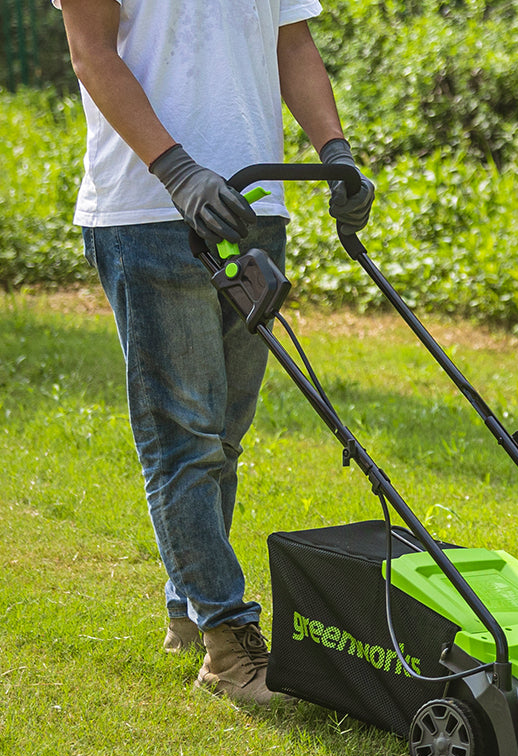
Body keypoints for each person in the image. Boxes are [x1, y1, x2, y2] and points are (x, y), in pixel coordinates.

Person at [57, 0, 375, 705]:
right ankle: (229, 649)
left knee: (224, 434)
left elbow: (292, 44)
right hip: (150, 213)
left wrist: (336, 153)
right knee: (184, 440)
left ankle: (187, 606)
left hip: (254, 206)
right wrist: (176, 170)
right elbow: (91, 52)